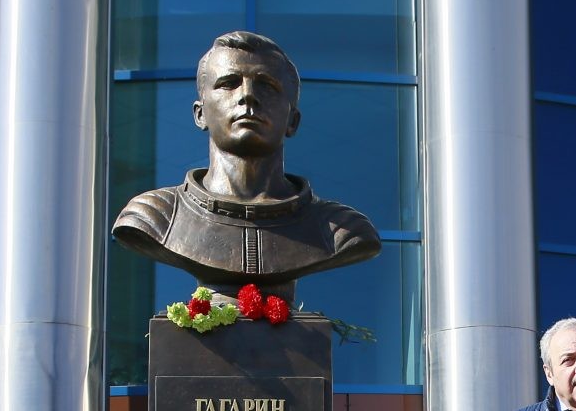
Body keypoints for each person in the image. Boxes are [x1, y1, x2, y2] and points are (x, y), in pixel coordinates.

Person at [112, 30, 380, 291]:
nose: (247, 95)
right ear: (200, 114)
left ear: (292, 121)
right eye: (229, 83)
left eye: (267, 85)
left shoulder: (339, 230)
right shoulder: (155, 217)